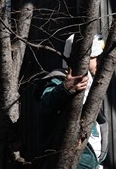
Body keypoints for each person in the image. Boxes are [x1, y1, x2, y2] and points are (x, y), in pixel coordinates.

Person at [37, 33, 108, 169]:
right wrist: (64, 89)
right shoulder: (59, 80)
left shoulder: (91, 85)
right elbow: (45, 104)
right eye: (96, 57)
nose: (100, 62)